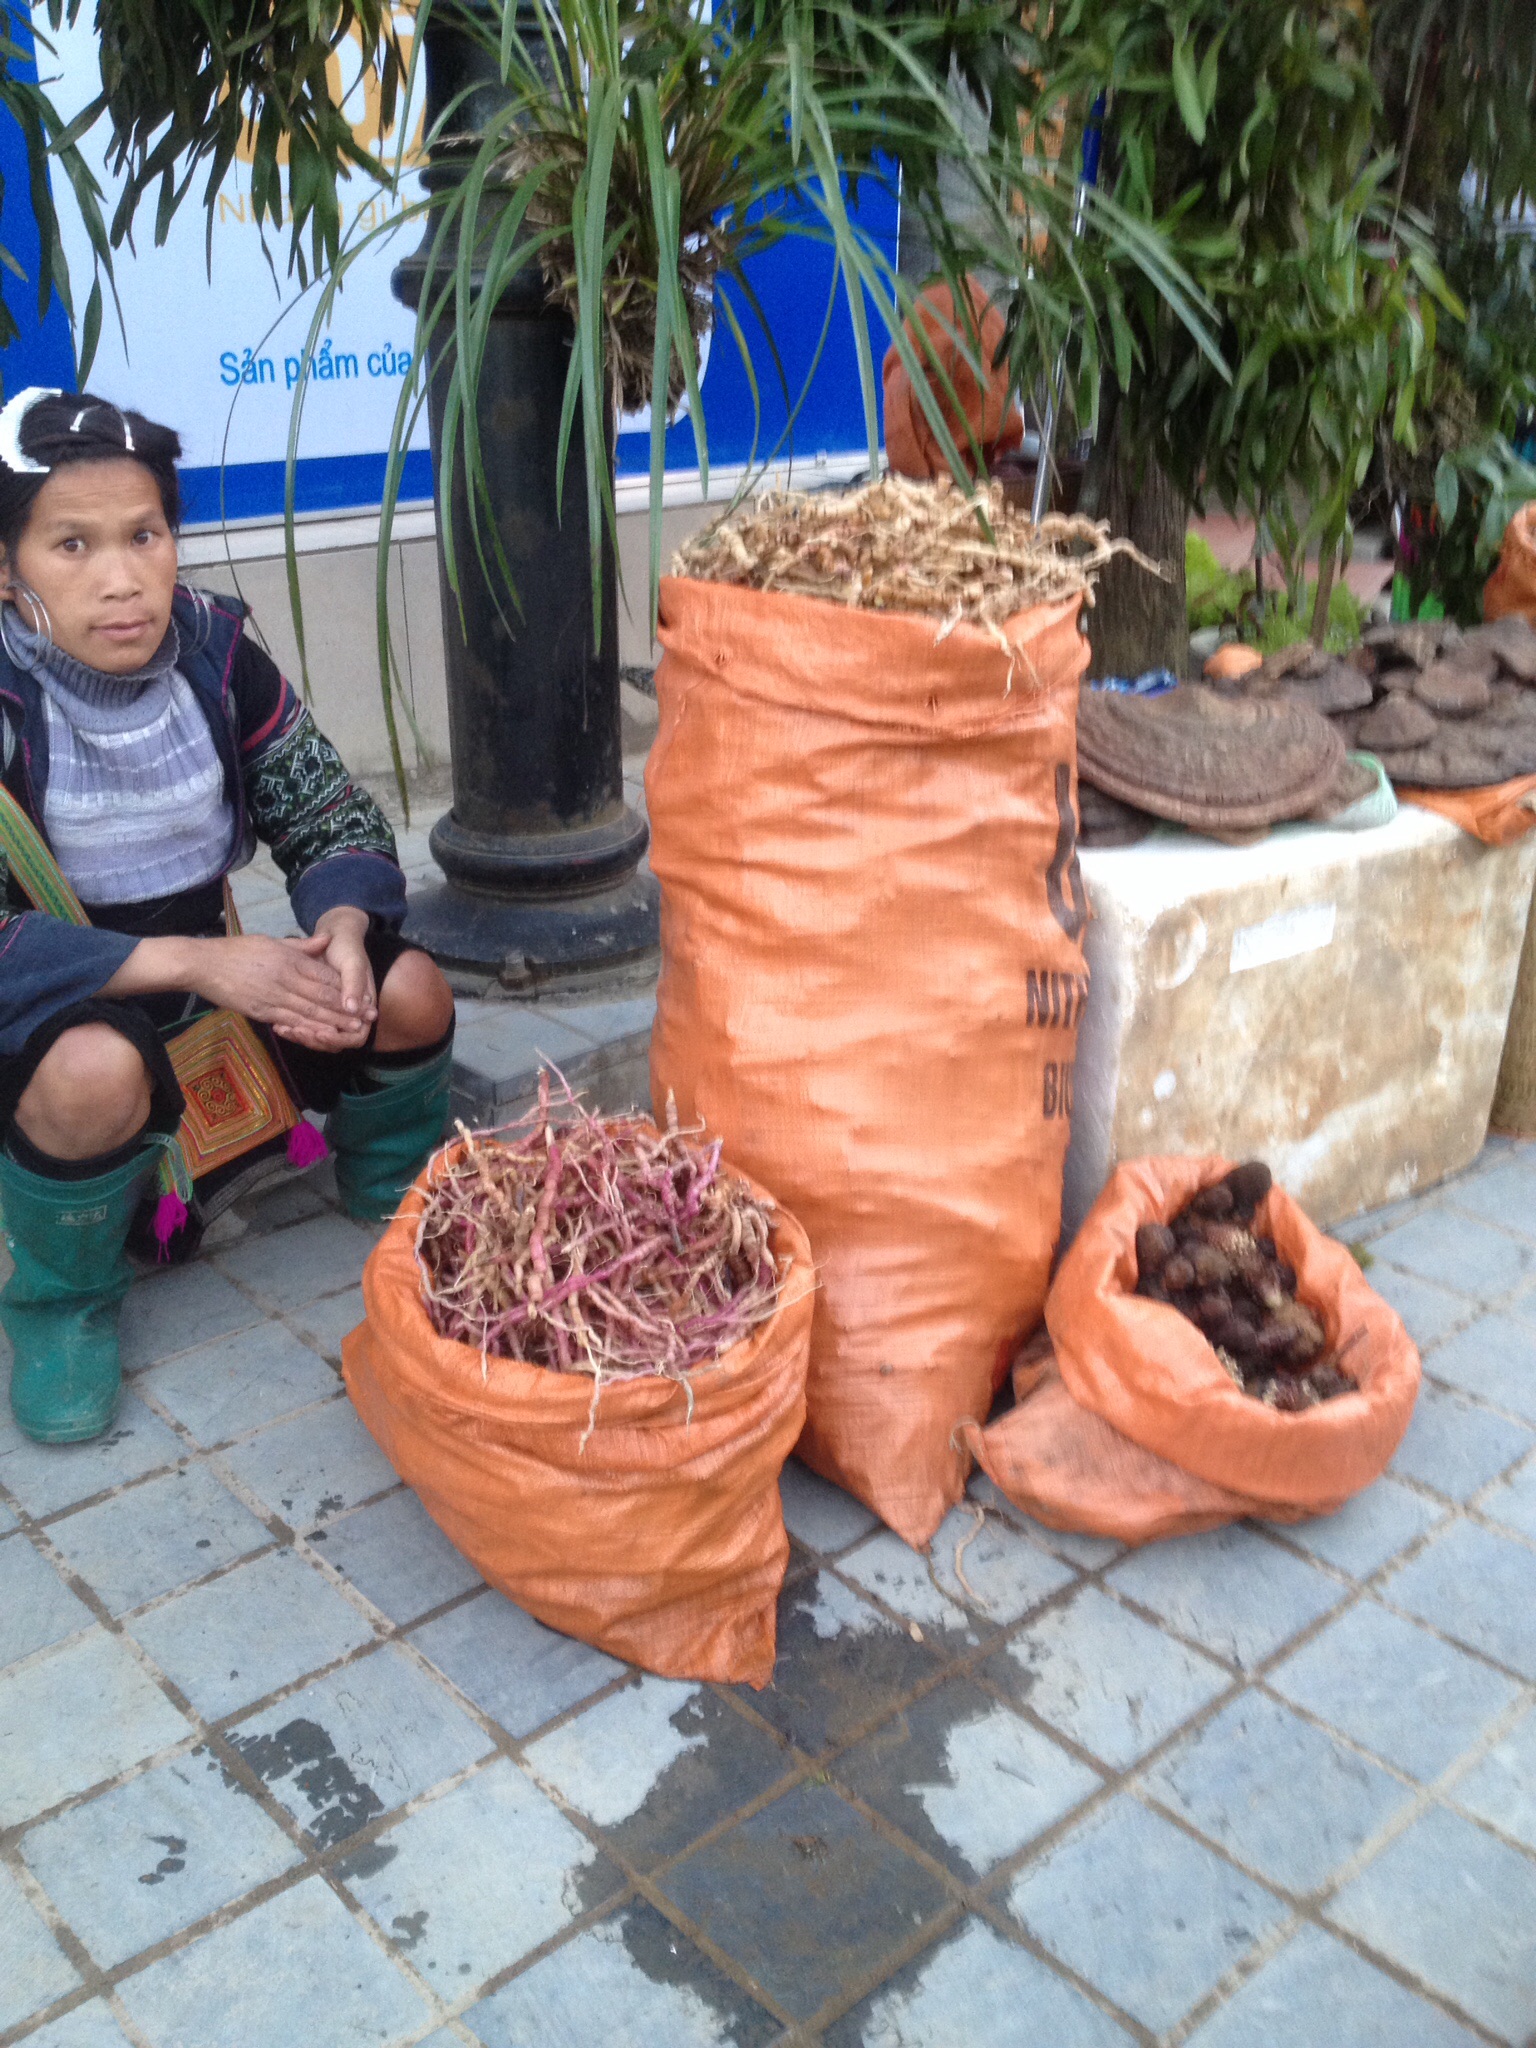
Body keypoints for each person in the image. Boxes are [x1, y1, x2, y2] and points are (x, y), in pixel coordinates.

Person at [0, 385, 456, 1445]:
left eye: (144, 534)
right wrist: (204, 963)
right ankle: (62, 1303)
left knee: (408, 988)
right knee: (93, 1072)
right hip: (52, 1018)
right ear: (7, 568)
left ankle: (397, 1188)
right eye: (71, 545)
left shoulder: (213, 650)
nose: (122, 578)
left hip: (207, 994)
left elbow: (329, 810)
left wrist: (344, 931)